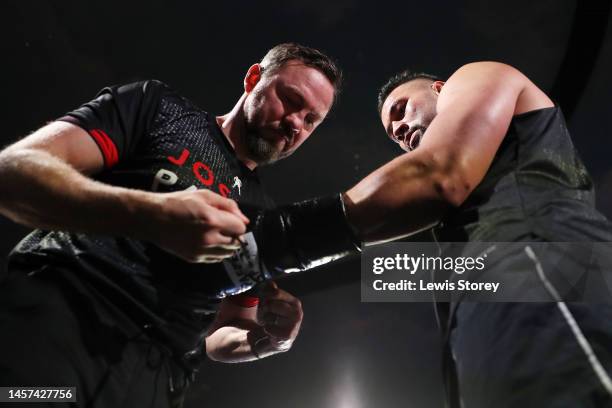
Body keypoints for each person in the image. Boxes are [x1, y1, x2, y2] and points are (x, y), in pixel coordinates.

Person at [0, 43, 340, 407]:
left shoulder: (262, 212)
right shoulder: (160, 109)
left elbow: (222, 333)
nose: (294, 123)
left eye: (310, 121)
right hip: (63, 326)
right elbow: (14, 171)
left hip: (156, 381)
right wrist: (151, 215)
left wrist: (263, 341)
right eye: (290, 99)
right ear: (253, 78)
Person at [341, 62, 612, 407]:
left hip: (535, 267)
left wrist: (277, 243)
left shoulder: (475, 76)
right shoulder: (459, 221)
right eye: (392, 133)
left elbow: (438, 173)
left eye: (400, 109)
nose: (398, 128)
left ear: (440, 88)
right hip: (483, 320)